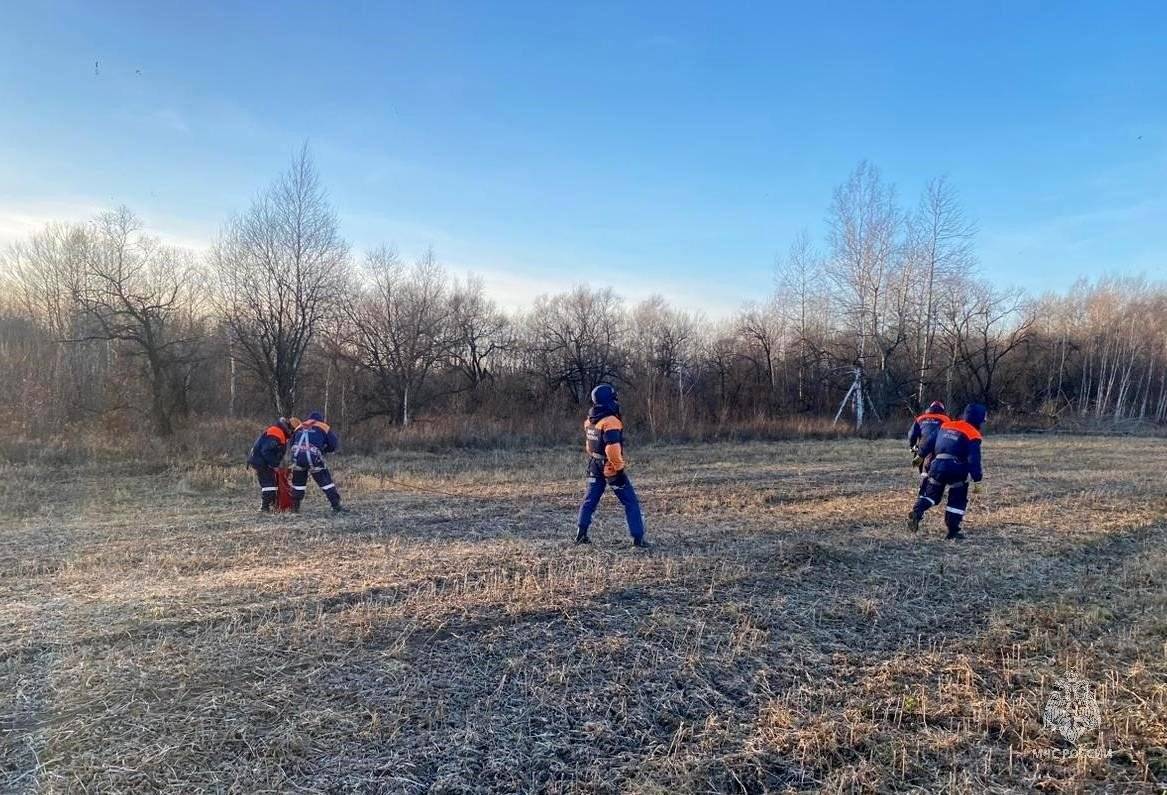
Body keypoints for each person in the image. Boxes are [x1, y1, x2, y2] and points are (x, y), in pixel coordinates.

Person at [576, 384, 648, 548]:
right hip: (610, 467)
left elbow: (589, 446)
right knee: (630, 502)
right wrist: (619, 468)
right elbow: (612, 449)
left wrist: (597, 459)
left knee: (589, 501)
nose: (617, 401)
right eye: (614, 398)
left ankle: (581, 534)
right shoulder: (612, 421)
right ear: (609, 400)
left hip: (594, 464)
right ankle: (638, 539)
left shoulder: (589, 421)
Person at [907, 403, 987, 540]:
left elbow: (929, 441)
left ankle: (917, 511)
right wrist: (977, 480)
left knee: (932, 495)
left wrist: (920, 456)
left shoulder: (946, 425)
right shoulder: (973, 434)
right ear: (979, 418)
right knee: (957, 498)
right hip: (957, 469)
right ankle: (952, 531)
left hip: (936, 465)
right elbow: (974, 459)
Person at [290, 411, 349, 514]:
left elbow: (291, 443)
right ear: (320, 419)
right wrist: (324, 450)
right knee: (326, 482)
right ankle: (336, 506)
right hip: (313, 458)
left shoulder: (299, 427)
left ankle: (295, 507)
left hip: (298, 457)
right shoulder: (323, 426)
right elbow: (333, 444)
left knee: (298, 483)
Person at [247, 417, 296, 512]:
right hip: (261, 461)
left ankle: (272, 505)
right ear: (290, 428)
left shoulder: (280, 432)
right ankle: (264, 508)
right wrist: (275, 464)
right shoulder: (277, 432)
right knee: (269, 485)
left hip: (262, 460)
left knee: (271, 484)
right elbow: (266, 451)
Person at [908, 400, 951, 495]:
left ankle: (923, 487)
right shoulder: (945, 419)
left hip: (922, 447)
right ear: (942, 409)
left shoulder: (920, 418)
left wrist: (913, 446)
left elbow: (912, 434)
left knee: (922, 467)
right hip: (937, 447)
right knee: (933, 468)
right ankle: (929, 489)